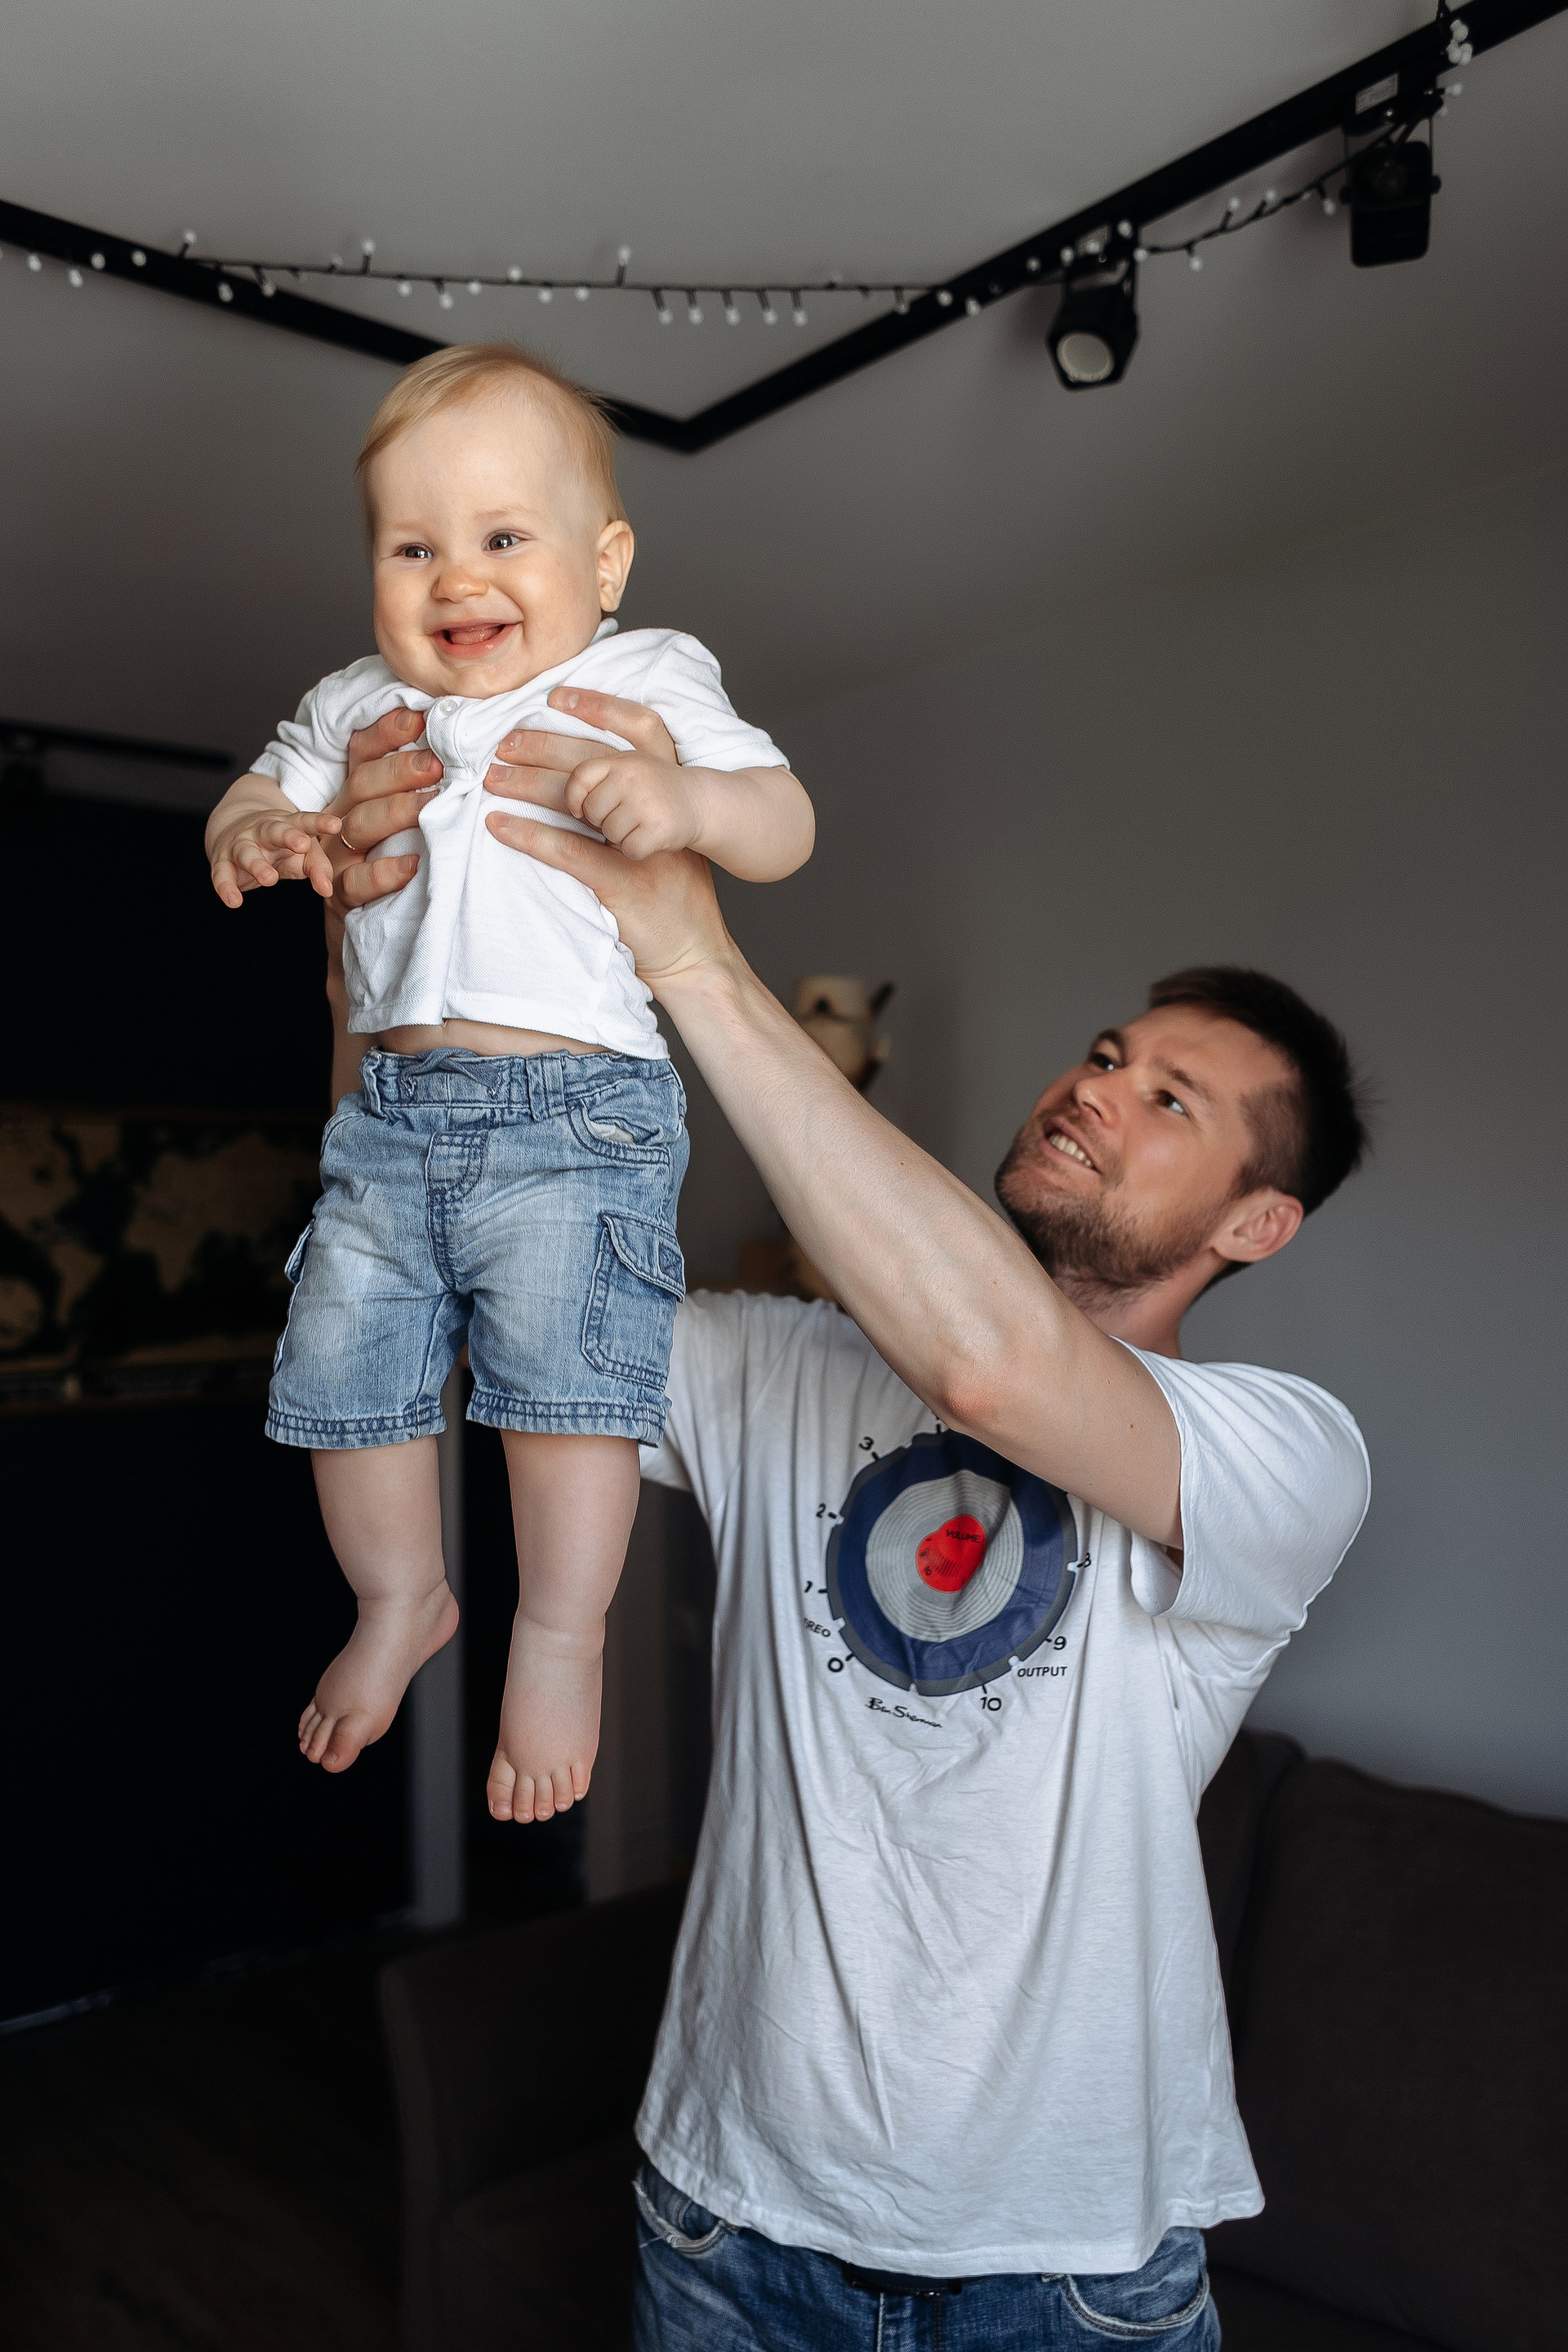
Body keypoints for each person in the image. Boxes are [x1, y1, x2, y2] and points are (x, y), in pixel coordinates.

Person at [323, 703, 1371, 2349]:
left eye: (1173, 1099)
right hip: (726, 2218)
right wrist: (377, 967)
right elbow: (436, 1291)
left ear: (1258, 1223)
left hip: (1066, 2268)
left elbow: (991, 1366)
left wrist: (694, 959)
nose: (1098, 1089)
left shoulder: (1281, 1453)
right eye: (1108, 1054)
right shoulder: (782, 1366)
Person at [201, 345, 812, 1826]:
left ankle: (557, 1634)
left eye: (501, 537)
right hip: (387, 1126)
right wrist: (251, 833)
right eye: (412, 549)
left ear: (605, 564)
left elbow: (782, 820)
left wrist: (685, 798)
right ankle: (402, 1597)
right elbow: (262, 788)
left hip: (576, 1121)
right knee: (344, 1375)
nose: (456, 578)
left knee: (567, 1393)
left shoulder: (641, 677)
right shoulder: (355, 705)